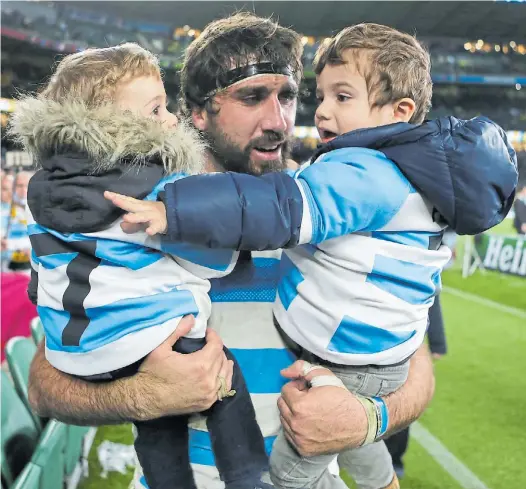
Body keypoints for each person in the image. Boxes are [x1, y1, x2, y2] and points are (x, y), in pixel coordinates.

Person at [23, 13, 513, 489]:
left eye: (288, 97)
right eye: (253, 97)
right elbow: (45, 386)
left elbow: (416, 366)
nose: (279, 119)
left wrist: (367, 418)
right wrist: (143, 395)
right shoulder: (139, 212)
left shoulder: (349, 208)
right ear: (198, 113)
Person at [9, 43, 270, 489]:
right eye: (157, 109)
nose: (170, 121)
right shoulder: (155, 189)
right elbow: (215, 262)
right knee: (225, 383)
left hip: (81, 347)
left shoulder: (45, 193)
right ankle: (248, 474)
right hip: (155, 338)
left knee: (160, 434)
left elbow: (41, 278)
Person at [385, 295, 448, 479]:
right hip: (363, 331)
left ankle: (393, 461)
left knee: (400, 402)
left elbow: (430, 291)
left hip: (405, 339)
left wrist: (437, 341)